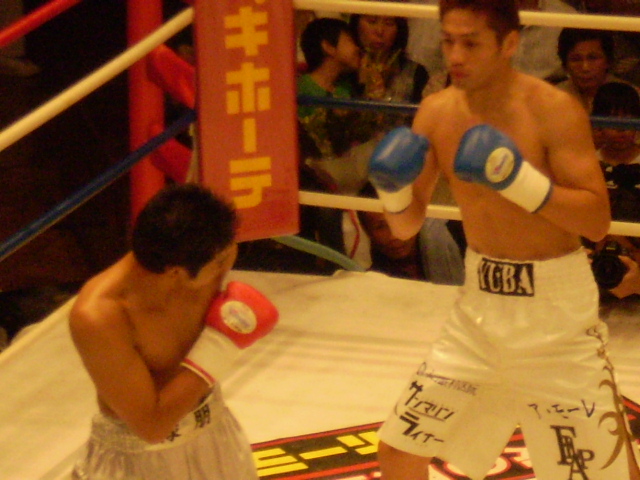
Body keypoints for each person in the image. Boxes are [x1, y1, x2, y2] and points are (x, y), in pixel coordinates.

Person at [367, 1, 640, 479]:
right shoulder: (436, 112)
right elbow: (406, 227)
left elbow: (596, 221)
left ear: (509, 43)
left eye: (471, 43)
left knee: (603, 472)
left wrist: (519, 182)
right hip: (477, 312)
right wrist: (392, 191)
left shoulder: (552, 110)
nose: (455, 56)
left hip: (556, 316)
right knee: (398, 451)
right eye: (449, 41)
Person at [69, 183, 279, 480]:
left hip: (214, 434)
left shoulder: (203, 257)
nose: (229, 260)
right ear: (176, 272)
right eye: (219, 259)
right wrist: (221, 344)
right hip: (139, 462)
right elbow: (152, 426)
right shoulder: (101, 316)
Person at [588, 82, 640, 299]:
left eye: (628, 119)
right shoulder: (586, 165)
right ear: (599, 122)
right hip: (590, 263)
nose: (621, 129)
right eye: (612, 120)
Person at [355, 182, 464, 284]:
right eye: (381, 227)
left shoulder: (454, 235)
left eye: (401, 221)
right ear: (367, 230)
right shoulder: (372, 280)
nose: (394, 236)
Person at [555, 27, 625, 112]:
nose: (585, 68)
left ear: (608, 61)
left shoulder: (630, 97)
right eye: (576, 59)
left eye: (593, 58)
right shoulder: (553, 97)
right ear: (565, 65)